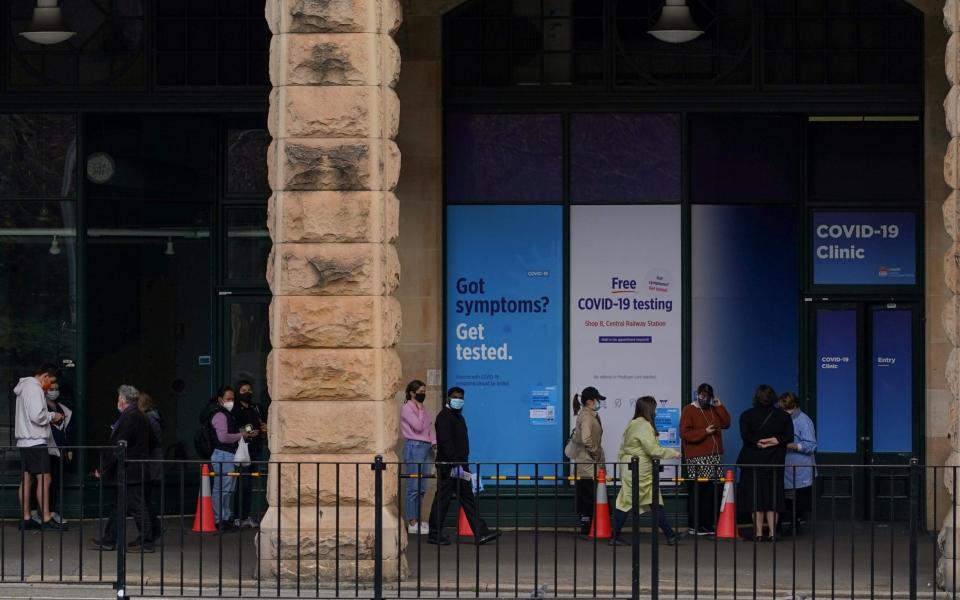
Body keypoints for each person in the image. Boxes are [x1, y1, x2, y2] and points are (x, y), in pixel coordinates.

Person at [426, 387, 500, 546]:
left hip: (460, 466)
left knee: (467, 499)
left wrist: (463, 466)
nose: (458, 400)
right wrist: (456, 464)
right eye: (455, 397)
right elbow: (446, 443)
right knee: (442, 500)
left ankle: (481, 532)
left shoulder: (458, 417)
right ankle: (434, 534)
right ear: (448, 399)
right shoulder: (444, 417)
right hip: (449, 466)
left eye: (461, 398)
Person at [90, 385, 154, 552]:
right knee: (119, 506)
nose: (117, 401)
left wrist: (102, 467)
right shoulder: (139, 415)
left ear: (123, 400)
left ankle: (147, 541)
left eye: (119, 398)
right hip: (134, 468)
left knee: (136, 506)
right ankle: (109, 540)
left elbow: (119, 445)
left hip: (130, 470)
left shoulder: (130, 417)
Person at [610, 396, 681, 546]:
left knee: (648, 500)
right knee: (631, 501)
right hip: (640, 470)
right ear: (650, 409)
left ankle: (670, 534)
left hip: (632, 468)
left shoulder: (633, 423)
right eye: (654, 408)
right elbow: (652, 449)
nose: (656, 412)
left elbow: (624, 446)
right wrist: (673, 453)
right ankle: (614, 536)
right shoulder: (645, 425)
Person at [736, 384, 794, 542]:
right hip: (775, 462)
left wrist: (759, 443)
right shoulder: (783, 416)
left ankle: (759, 533)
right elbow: (789, 437)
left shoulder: (746, 415)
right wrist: (774, 441)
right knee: (773, 499)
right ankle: (773, 533)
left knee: (756, 499)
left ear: (756, 397)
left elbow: (746, 437)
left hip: (753, 462)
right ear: (774, 397)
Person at [14, 363, 64, 531]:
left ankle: (26, 517)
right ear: (44, 376)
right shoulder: (35, 389)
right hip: (35, 440)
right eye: (51, 381)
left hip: (24, 441)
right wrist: (53, 416)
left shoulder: (24, 387)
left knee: (27, 479)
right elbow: (37, 416)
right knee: (45, 478)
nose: (50, 386)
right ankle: (46, 517)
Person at [679, 382, 731, 536]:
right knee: (698, 491)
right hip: (697, 457)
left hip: (714, 457)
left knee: (711, 492)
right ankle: (695, 525)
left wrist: (719, 405)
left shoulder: (713, 409)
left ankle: (708, 524)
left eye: (708, 396)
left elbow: (727, 423)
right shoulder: (689, 409)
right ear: (698, 394)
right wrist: (705, 432)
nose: (705, 398)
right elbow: (685, 433)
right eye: (702, 395)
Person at [208, 386, 257, 531]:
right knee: (223, 489)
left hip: (228, 454)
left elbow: (228, 433)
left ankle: (225, 518)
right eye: (228, 399)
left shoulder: (227, 414)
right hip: (223, 453)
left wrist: (243, 433)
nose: (231, 402)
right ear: (220, 400)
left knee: (228, 489)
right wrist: (242, 435)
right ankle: (220, 519)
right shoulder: (220, 415)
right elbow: (223, 437)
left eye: (233, 399)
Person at [32, 381, 73, 526]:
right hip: (45, 448)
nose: (54, 392)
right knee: (42, 481)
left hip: (59, 450)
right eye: (51, 389)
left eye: (56, 389)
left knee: (55, 482)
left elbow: (67, 431)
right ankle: (39, 512)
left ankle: (51, 511)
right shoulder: (41, 407)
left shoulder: (62, 408)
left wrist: (68, 449)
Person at [400, 379, 436, 535]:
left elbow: (429, 428)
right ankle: (412, 521)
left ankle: (419, 519)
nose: (423, 394)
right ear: (412, 393)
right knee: (413, 486)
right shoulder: (407, 408)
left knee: (422, 487)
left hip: (427, 448)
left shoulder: (424, 409)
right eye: (420, 392)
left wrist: (435, 443)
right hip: (414, 446)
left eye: (425, 391)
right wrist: (420, 409)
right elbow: (418, 426)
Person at [570, 386, 606, 537]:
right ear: (591, 401)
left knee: (589, 494)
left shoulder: (590, 415)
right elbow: (586, 439)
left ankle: (590, 525)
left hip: (589, 463)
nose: (599, 403)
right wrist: (595, 451)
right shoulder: (587, 416)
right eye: (597, 400)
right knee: (587, 495)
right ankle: (586, 526)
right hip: (587, 463)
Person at [779, 391, 817, 535]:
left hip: (801, 466)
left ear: (794, 406)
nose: (785, 412)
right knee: (787, 497)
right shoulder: (785, 419)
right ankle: (786, 524)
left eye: (787, 409)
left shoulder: (804, 420)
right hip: (788, 465)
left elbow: (811, 445)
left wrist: (789, 445)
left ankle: (795, 524)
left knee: (797, 499)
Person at [232, 380, 267, 529]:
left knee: (250, 484)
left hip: (255, 448)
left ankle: (246, 516)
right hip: (241, 449)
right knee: (242, 483)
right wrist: (244, 433)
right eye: (243, 390)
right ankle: (237, 516)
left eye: (249, 390)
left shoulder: (256, 408)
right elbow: (231, 429)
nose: (248, 393)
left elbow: (263, 424)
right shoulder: (234, 410)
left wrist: (264, 429)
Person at [138, 393, 164, 543]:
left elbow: (149, 442)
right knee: (145, 500)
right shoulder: (154, 417)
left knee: (144, 500)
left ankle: (152, 530)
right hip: (153, 463)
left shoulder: (148, 419)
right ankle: (154, 529)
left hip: (150, 464)